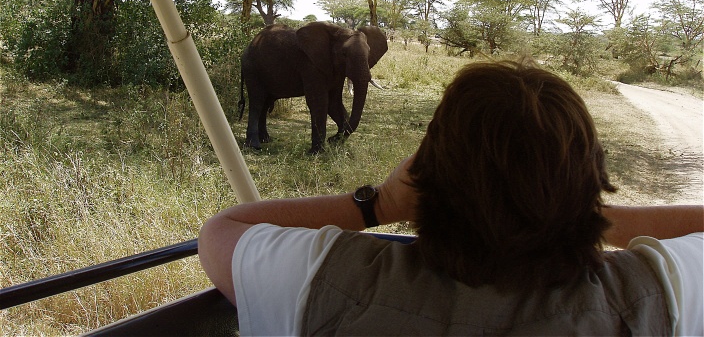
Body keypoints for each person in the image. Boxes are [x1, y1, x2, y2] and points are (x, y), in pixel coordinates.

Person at [199, 59, 703, 336]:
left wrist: (380, 203)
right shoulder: (647, 299)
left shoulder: (340, 281)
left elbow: (222, 231)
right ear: (592, 175)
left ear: (427, 175)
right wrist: (573, 209)